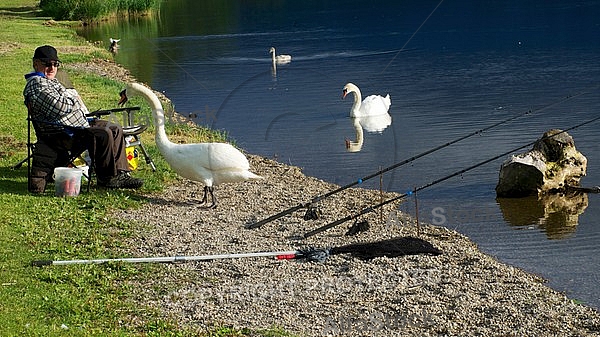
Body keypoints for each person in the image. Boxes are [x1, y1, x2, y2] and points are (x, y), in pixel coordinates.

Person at [23, 45, 143, 189]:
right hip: (61, 133)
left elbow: (65, 102)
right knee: (103, 133)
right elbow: (62, 107)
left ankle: (121, 173)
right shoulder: (37, 84)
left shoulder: (50, 82)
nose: (52, 68)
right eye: (47, 64)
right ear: (35, 64)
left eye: (55, 64)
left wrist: (69, 99)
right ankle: (107, 178)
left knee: (115, 128)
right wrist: (72, 99)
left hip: (76, 125)